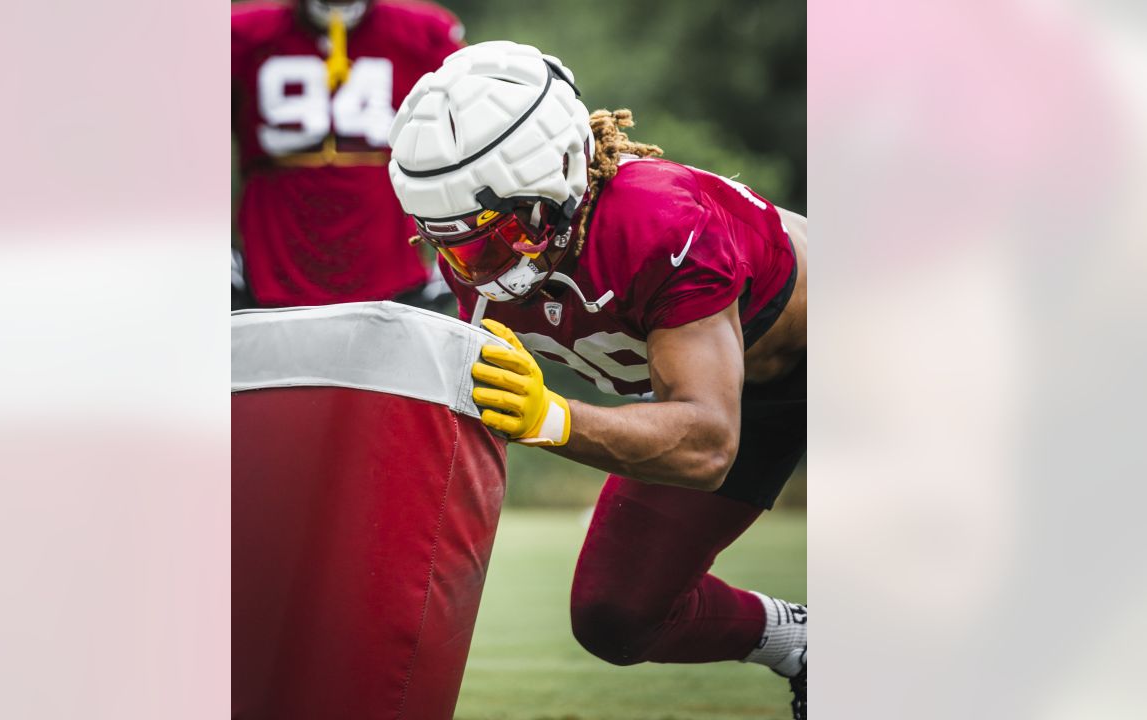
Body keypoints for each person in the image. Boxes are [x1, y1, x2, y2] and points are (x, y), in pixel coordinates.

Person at [388, 42, 808, 719]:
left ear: (560, 178)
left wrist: (552, 418)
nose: (475, 269)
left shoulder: (660, 221)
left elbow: (706, 442)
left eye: (496, 237)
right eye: (456, 243)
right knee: (618, 614)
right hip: (723, 386)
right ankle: (806, 644)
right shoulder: (480, 263)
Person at [232, 0, 463, 308]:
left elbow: (466, 129)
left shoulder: (421, 32)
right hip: (273, 242)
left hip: (384, 243)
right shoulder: (242, 34)